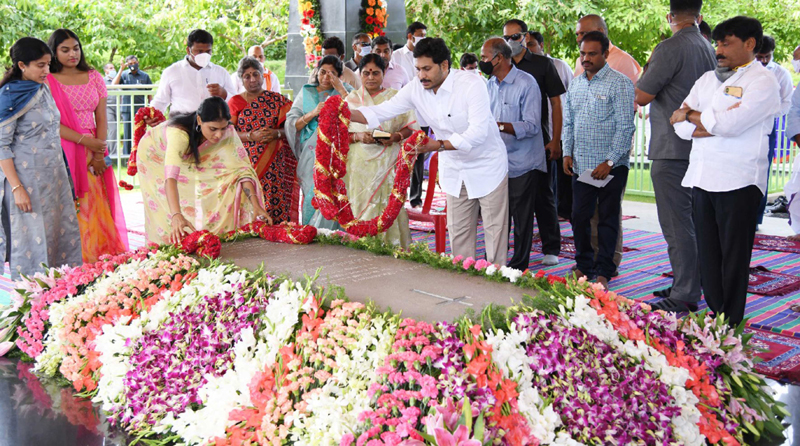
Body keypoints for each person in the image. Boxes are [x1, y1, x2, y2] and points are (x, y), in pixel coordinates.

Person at [349, 38, 510, 265]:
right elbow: (381, 112)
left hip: (487, 167)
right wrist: (339, 111)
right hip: (455, 169)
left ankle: (498, 290)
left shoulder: (472, 84)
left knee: (495, 236)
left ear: (444, 66)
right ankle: (465, 289)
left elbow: (478, 133)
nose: (421, 75)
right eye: (417, 69)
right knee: (459, 239)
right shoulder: (416, 87)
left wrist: (438, 145)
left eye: (427, 69)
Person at [671, 16, 780, 326]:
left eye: (726, 43)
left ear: (749, 44)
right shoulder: (706, 79)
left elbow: (729, 125)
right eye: (717, 42)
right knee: (708, 258)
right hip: (702, 178)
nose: (718, 49)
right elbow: (677, 126)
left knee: (733, 261)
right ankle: (715, 321)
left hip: (739, 181)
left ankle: (730, 325)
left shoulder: (762, 81)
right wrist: (707, 122)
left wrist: (691, 115)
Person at [634, 0, 716, 312]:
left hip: (672, 147)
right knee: (692, 222)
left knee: (676, 223)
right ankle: (688, 282)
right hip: (698, 145)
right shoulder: (707, 47)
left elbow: (642, 95)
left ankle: (684, 293)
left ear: (670, 16)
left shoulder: (669, 47)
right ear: (700, 16)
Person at [0, 37, 82, 279]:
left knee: (60, 237)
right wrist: (17, 188)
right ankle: (32, 306)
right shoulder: (9, 96)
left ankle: (62, 298)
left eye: (48, 64)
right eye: (40, 65)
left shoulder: (42, 87)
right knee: (32, 246)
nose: (47, 70)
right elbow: (1, 145)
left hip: (53, 178)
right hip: (27, 181)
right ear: (22, 65)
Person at [137, 97, 271, 244]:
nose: (219, 135)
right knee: (167, 208)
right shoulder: (179, 135)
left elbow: (241, 171)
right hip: (155, 155)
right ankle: (167, 246)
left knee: (224, 181)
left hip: (188, 151)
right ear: (199, 121)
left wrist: (256, 205)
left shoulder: (227, 132)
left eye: (223, 128)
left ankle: (209, 237)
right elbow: (170, 178)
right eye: (213, 129)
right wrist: (176, 214)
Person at [46, 28, 128, 263]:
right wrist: (85, 141)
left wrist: (99, 152)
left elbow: (102, 117)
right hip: (65, 148)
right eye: (65, 50)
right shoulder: (48, 79)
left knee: (96, 202)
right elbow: (52, 122)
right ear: (54, 52)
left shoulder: (93, 76)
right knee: (73, 205)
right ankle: (75, 260)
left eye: (76, 48)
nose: (72, 54)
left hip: (94, 146)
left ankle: (100, 257)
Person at [563, 31, 635, 290]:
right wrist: (567, 153)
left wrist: (610, 161)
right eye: (583, 53)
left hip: (611, 168)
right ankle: (583, 265)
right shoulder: (576, 84)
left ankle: (605, 270)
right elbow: (569, 122)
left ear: (605, 54)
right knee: (578, 217)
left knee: (607, 219)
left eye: (592, 53)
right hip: (581, 165)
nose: (586, 58)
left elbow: (626, 127)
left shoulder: (621, 83)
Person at [335, 54, 418, 246]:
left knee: (387, 202)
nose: (371, 77)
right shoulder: (351, 99)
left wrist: (395, 137)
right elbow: (339, 135)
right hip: (357, 163)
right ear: (360, 74)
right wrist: (358, 137)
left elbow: (411, 127)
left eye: (376, 73)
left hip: (387, 159)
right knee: (358, 203)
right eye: (366, 73)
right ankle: (360, 245)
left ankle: (390, 246)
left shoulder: (395, 98)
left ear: (383, 74)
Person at [503, 19, 564, 266]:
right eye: (506, 37)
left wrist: (556, 140)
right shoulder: (501, 65)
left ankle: (551, 246)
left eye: (515, 36)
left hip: (537, 139)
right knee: (509, 199)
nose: (511, 41)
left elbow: (556, 103)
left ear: (525, 37)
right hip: (506, 142)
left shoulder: (542, 64)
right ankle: (505, 251)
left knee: (543, 194)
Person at [482, 38, 545, 271]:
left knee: (521, 218)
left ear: (498, 58)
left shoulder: (526, 83)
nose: (482, 61)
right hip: (496, 164)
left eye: (485, 57)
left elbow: (531, 126)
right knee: (498, 218)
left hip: (523, 161)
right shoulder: (488, 84)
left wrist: (498, 126)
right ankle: (497, 263)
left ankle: (518, 267)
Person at [228, 57, 298, 224]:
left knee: (276, 196)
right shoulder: (235, 102)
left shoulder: (277, 100)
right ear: (241, 79)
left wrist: (276, 134)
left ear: (262, 76)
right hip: (247, 162)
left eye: (256, 74)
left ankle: (278, 231)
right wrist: (251, 136)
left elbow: (294, 125)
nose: (252, 80)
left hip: (275, 163)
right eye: (247, 76)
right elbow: (228, 133)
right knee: (251, 196)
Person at [287, 55, 353, 225]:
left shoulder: (347, 91)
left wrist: (339, 89)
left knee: (334, 191)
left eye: (332, 73)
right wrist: (313, 113)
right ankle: (310, 228)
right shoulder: (307, 92)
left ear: (339, 75)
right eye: (322, 72)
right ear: (316, 72)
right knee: (311, 189)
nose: (325, 77)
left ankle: (333, 231)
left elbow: (358, 113)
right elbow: (293, 123)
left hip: (336, 153)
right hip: (310, 153)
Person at [526, 30, 574, 219]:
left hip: (559, 132)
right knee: (543, 181)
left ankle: (562, 213)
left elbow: (569, 96)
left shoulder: (558, 66)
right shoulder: (519, 68)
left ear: (541, 46)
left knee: (562, 178)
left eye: (531, 45)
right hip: (534, 134)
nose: (527, 49)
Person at [755, 35, 794, 225]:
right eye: (759, 57)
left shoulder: (781, 73)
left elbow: (787, 102)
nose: (763, 61)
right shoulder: (743, 71)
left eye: (766, 57)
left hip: (767, 129)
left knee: (761, 173)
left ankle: (755, 219)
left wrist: (768, 113)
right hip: (740, 128)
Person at [150, 29, 236, 115]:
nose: (204, 55)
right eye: (199, 51)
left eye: (208, 51)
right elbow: (160, 101)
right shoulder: (172, 72)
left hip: (213, 126)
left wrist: (224, 94)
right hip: (180, 125)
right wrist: (150, 115)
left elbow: (235, 102)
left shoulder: (221, 72)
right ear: (188, 50)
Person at [394, 22, 429, 210]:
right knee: (399, 154)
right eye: (419, 35)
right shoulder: (397, 56)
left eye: (425, 35)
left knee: (418, 154)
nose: (422, 38)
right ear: (409, 36)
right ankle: (397, 195)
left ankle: (416, 198)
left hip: (422, 113)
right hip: (402, 114)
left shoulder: (427, 57)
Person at [573, 14, 642, 84]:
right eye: (577, 34)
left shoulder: (623, 60)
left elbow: (633, 93)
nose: (578, 39)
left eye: (583, 33)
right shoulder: (579, 61)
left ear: (600, 31)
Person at [113, 55, 153, 154]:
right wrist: (121, 70)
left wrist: (151, 108)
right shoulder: (124, 75)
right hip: (127, 109)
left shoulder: (144, 76)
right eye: (130, 64)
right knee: (128, 133)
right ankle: (127, 156)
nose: (133, 65)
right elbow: (114, 85)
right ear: (127, 65)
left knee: (140, 132)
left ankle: (140, 154)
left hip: (140, 109)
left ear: (137, 62)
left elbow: (149, 94)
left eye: (134, 63)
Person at [102, 62, 119, 155]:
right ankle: (112, 153)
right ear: (106, 71)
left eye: (114, 68)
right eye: (111, 68)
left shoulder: (118, 80)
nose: (113, 70)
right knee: (113, 129)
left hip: (119, 107)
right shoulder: (103, 81)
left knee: (117, 129)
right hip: (108, 107)